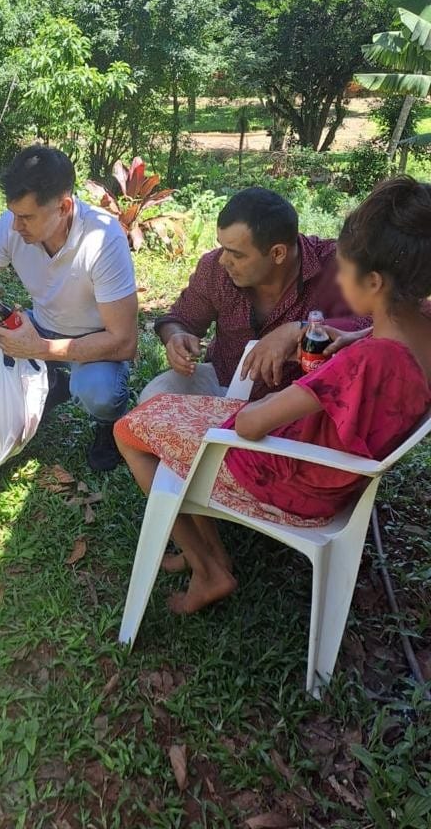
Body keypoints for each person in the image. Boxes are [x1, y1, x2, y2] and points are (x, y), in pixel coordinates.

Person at [115, 176, 431, 616]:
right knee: (171, 413)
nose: (224, 260)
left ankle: (209, 569)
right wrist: (353, 335)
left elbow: (248, 424)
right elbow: (178, 318)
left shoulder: (364, 360)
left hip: (293, 474)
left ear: (374, 281)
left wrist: (264, 396)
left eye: (347, 270)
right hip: (331, 464)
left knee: (131, 432)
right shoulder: (410, 334)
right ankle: (205, 553)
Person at [0, 146, 138, 471]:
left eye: (26, 217)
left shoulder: (103, 238)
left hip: (95, 341)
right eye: (14, 214)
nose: (15, 226)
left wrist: (39, 349)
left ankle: (107, 425)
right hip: (39, 326)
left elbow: (124, 342)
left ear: (64, 206)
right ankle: (50, 385)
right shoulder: (12, 224)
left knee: (99, 394)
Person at [141, 187, 369, 404]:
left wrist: (299, 331)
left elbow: (379, 327)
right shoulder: (215, 268)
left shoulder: (335, 265)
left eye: (236, 254)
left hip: (302, 397)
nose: (223, 260)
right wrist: (176, 337)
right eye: (222, 247)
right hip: (222, 381)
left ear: (278, 253)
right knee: (153, 398)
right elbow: (179, 319)